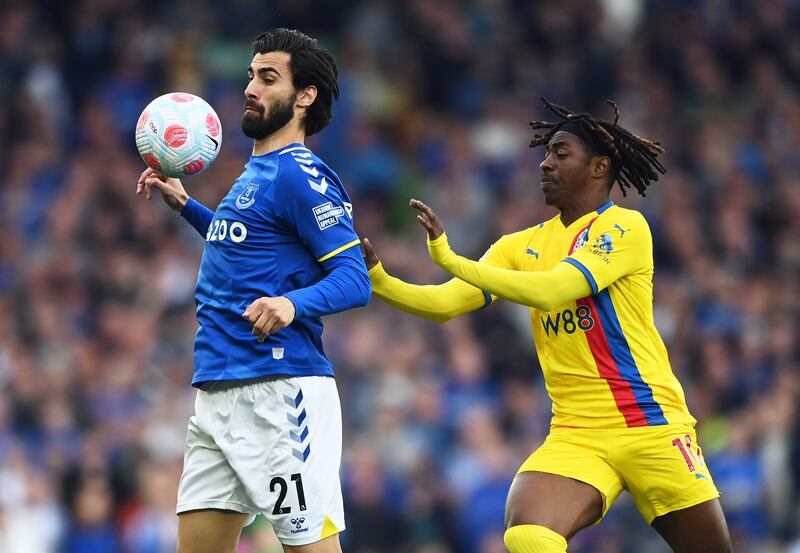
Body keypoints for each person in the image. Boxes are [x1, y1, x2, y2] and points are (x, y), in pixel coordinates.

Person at [362, 98, 732, 553]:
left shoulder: (625, 229)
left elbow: (556, 289)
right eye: (546, 153)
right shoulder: (522, 245)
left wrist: (453, 260)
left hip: (650, 424)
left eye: (561, 154)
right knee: (528, 532)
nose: (545, 162)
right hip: (576, 432)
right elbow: (444, 305)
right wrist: (380, 280)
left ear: (599, 167)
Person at [136, 28, 370, 553]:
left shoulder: (301, 175)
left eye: (268, 78)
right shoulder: (256, 174)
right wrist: (188, 208)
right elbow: (245, 248)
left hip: (280, 391)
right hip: (217, 392)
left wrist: (292, 303)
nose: (250, 88)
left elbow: (355, 278)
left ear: (304, 96)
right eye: (250, 76)